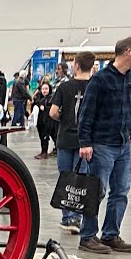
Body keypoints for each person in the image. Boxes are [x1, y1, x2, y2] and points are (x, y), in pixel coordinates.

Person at [77, 36, 131, 254]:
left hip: (123, 145)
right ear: (128, 51)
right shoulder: (101, 79)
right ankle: (87, 236)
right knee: (97, 191)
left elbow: (128, 106)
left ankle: (111, 234)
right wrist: (85, 143)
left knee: (121, 191)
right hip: (102, 144)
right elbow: (86, 113)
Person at [50, 50, 95, 234]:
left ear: (75, 65)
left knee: (65, 177)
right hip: (86, 140)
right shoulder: (95, 87)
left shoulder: (64, 87)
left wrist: (66, 119)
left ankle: (67, 217)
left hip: (66, 137)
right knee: (82, 179)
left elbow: (53, 112)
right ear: (92, 67)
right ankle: (78, 218)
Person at [32, 81, 57, 159]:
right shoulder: (39, 98)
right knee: (43, 136)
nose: (44, 91)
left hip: (49, 121)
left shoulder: (52, 98)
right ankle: (44, 151)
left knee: (51, 136)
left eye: (46, 89)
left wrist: (45, 108)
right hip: (41, 121)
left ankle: (46, 152)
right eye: (43, 89)